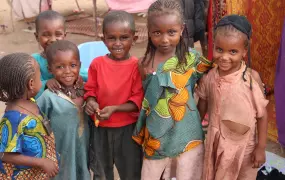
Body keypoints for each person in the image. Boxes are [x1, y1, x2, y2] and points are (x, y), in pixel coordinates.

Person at [131, 0, 212, 179]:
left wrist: (197, 116)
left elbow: (207, 88)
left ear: (182, 29)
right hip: (156, 137)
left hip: (187, 135)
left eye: (172, 32)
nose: (164, 39)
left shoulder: (192, 59)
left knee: (187, 172)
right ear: (149, 31)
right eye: (157, 33)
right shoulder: (144, 63)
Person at [196, 15, 268, 180]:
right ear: (213, 46)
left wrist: (261, 147)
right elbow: (201, 108)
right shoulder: (209, 77)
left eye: (233, 51)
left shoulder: (251, 79)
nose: (225, 57)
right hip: (217, 146)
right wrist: (194, 134)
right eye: (219, 49)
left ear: (244, 52)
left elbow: (262, 116)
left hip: (245, 149)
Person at [84, 10, 144, 180]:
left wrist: (115, 109)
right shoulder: (97, 64)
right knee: (101, 172)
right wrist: (91, 102)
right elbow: (90, 91)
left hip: (128, 130)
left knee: (131, 171)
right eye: (112, 38)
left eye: (124, 37)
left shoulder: (136, 66)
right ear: (103, 39)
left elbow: (137, 100)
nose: (118, 43)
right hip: (100, 129)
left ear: (134, 38)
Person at [36, 40, 90, 180]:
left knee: (83, 171)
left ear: (79, 66)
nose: (67, 71)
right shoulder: (49, 97)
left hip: (84, 148)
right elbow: (35, 120)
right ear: (50, 69)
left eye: (72, 65)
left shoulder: (87, 91)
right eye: (60, 67)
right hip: (61, 151)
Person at [0, 53, 59, 179]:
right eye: (40, 76)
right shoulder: (13, 118)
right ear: (31, 84)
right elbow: (4, 154)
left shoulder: (30, 102)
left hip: (38, 174)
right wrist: (41, 162)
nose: (42, 78)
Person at [32, 10, 87, 99]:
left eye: (58, 34)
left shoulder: (70, 55)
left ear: (64, 35)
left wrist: (79, 77)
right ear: (37, 36)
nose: (53, 39)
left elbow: (86, 75)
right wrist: (46, 83)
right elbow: (31, 87)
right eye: (46, 35)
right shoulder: (34, 61)